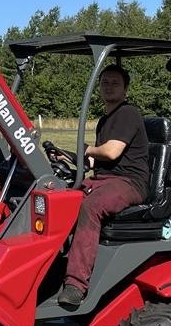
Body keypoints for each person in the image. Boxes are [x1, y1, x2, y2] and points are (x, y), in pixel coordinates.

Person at [53, 64, 150, 307]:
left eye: (115, 83)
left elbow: (111, 151)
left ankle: (76, 285)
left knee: (92, 207)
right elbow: (96, 160)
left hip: (129, 182)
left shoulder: (128, 114)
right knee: (60, 199)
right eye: (105, 82)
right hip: (103, 179)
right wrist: (69, 156)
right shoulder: (105, 120)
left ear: (126, 89)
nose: (109, 87)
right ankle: (53, 268)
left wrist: (85, 149)